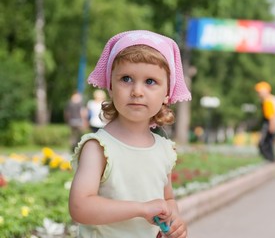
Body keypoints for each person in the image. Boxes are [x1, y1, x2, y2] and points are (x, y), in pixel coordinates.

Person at [69, 30, 191, 238]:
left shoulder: (164, 149)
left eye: (150, 81)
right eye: (126, 79)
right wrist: (141, 209)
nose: (137, 91)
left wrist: (174, 219)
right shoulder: (99, 147)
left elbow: (167, 199)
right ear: (110, 87)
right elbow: (80, 208)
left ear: (166, 94)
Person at [255, 81, 275, 162]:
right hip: (270, 124)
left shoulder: (267, 101)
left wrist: (272, 127)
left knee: (264, 144)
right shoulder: (269, 100)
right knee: (268, 143)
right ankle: (271, 159)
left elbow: (271, 116)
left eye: (259, 92)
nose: (258, 94)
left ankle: (270, 160)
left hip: (269, 125)